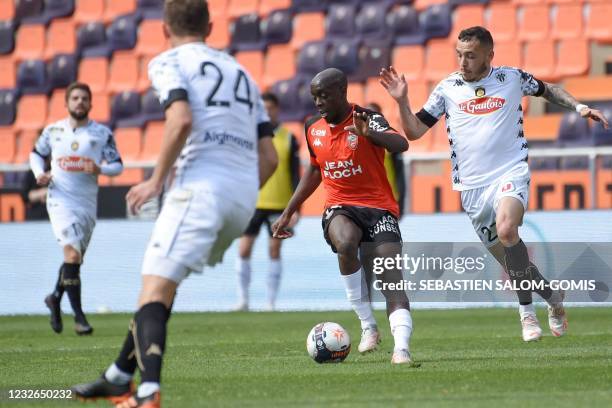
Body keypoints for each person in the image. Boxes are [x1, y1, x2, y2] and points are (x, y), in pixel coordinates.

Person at [71, 0, 278, 406]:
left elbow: (180, 119)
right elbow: (269, 157)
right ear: (211, 26)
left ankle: (147, 393)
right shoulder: (243, 73)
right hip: (242, 198)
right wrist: (235, 194)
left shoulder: (168, 62)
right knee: (163, 286)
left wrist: (155, 179)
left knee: (152, 287)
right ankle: (118, 374)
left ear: (165, 29)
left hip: (199, 190)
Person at [380, 26, 609, 342]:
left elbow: (548, 89)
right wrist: (402, 101)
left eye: (471, 56)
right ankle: (553, 298)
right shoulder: (447, 88)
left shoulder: (511, 79)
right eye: (459, 55)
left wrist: (580, 107)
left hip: (510, 173)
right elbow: (415, 131)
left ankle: (526, 315)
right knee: (516, 264)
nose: (463, 62)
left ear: (489, 55)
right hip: (472, 189)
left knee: (506, 230)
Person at [272, 68, 416, 365]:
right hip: (341, 205)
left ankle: (401, 348)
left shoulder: (367, 118)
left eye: (324, 95)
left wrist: (370, 135)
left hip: (379, 208)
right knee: (346, 242)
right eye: (314, 97)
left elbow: (401, 144)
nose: (319, 102)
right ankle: (367, 324)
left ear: (342, 92)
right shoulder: (313, 127)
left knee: (392, 279)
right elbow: (314, 170)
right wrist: (288, 212)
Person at [29, 82, 124, 335]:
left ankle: (55, 298)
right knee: (72, 256)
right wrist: (40, 173)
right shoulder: (53, 131)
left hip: (87, 203)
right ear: (67, 103)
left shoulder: (102, 134)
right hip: (60, 198)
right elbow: (36, 154)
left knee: (75, 260)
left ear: (91, 103)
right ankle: (80, 318)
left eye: (84, 98)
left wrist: (100, 169)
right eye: (75, 98)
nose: (79, 102)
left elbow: (118, 165)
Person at [235, 92, 300, 311]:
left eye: (271, 107)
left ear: (277, 109)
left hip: (280, 205)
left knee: (274, 250)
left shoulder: (288, 137)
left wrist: (296, 208)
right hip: (253, 203)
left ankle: (271, 302)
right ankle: (243, 300)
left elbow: (295, 175)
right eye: (264, 108)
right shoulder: (249, 137)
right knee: (243, 250)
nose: (267, 111)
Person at [365, 102, 406, 218]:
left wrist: (400, 202)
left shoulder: (390, 143)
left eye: (373, 115)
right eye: (367, 114)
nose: (370, 118)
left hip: (388, 198)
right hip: (365, 199)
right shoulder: (356, 141)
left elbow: (400, 175)